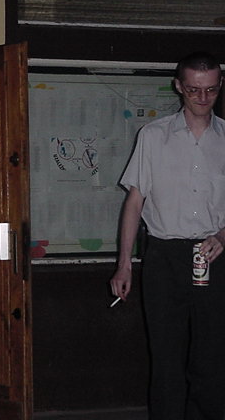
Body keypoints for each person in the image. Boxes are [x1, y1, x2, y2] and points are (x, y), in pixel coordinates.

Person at [110, 51, 225, 420]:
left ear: (220, 86)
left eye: (210, 90)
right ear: (178, 87)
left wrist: (223, 235)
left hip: (215, 256)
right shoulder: (153, 136)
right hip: (164, 257)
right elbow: (135, 201)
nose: (203, 98)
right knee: (166, 357)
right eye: (194, 89)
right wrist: (124, 264)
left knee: (212, 357)